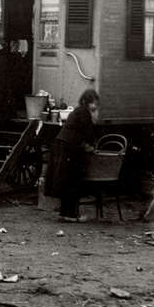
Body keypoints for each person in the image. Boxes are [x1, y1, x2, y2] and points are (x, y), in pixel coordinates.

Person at [45, 89, 101, 222]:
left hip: (63, 145)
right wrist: (92, 146)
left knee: (66, 181)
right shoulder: (84, 113)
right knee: (72, 181)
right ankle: (71, 214)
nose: (96, 105)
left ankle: (65, 213)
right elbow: (88, 132)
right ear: (88, 102)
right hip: (69, 148)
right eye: (94, 102)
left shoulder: (77, 111)